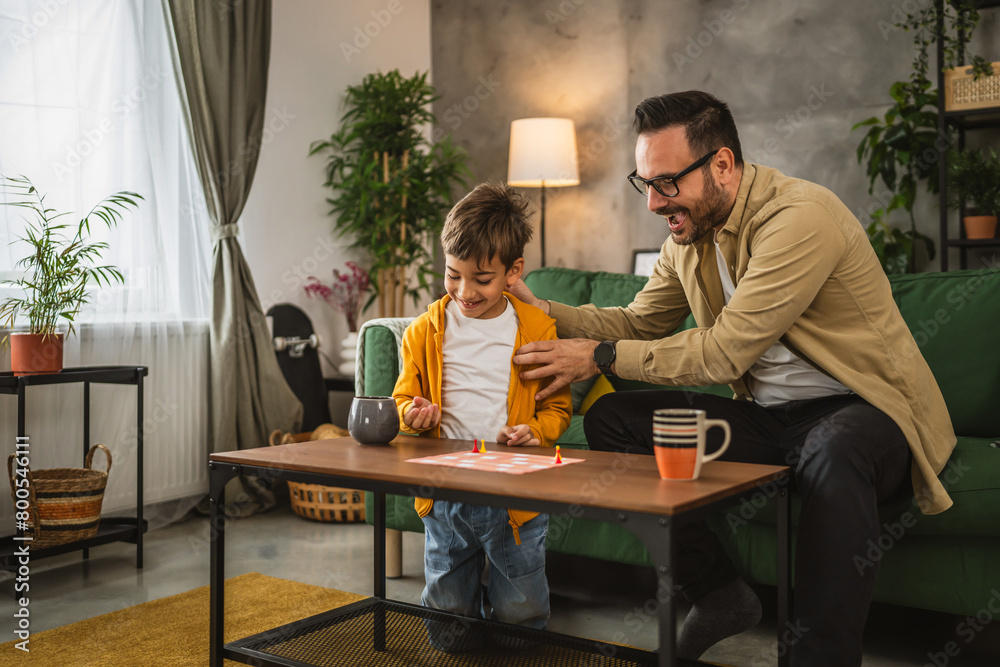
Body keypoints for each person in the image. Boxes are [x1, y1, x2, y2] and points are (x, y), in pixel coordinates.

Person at [509, 91, 956, 666]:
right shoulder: (687, 234)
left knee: (835, 448)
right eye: (644, 182)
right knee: (613, 419)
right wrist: (537, 305)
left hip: (866, 412)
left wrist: (599, 357)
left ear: (722, 164)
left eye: (667, 182)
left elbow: (724, 353)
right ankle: (718, 594)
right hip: (771, 421)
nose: (653, 202)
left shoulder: (799, 218)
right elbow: (641, 321)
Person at [393, 182, 572, 651]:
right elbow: (401, 401)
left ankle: (513, 628)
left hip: (516, 496)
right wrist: (414, 414)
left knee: (520, 623)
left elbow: (557, 409)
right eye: (453, 275)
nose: (464, 292)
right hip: (445, 492)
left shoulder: (536, 329)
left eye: (481, 279)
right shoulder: (423, 332)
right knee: (448, 626)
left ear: (514, 272)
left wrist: (534, 431)